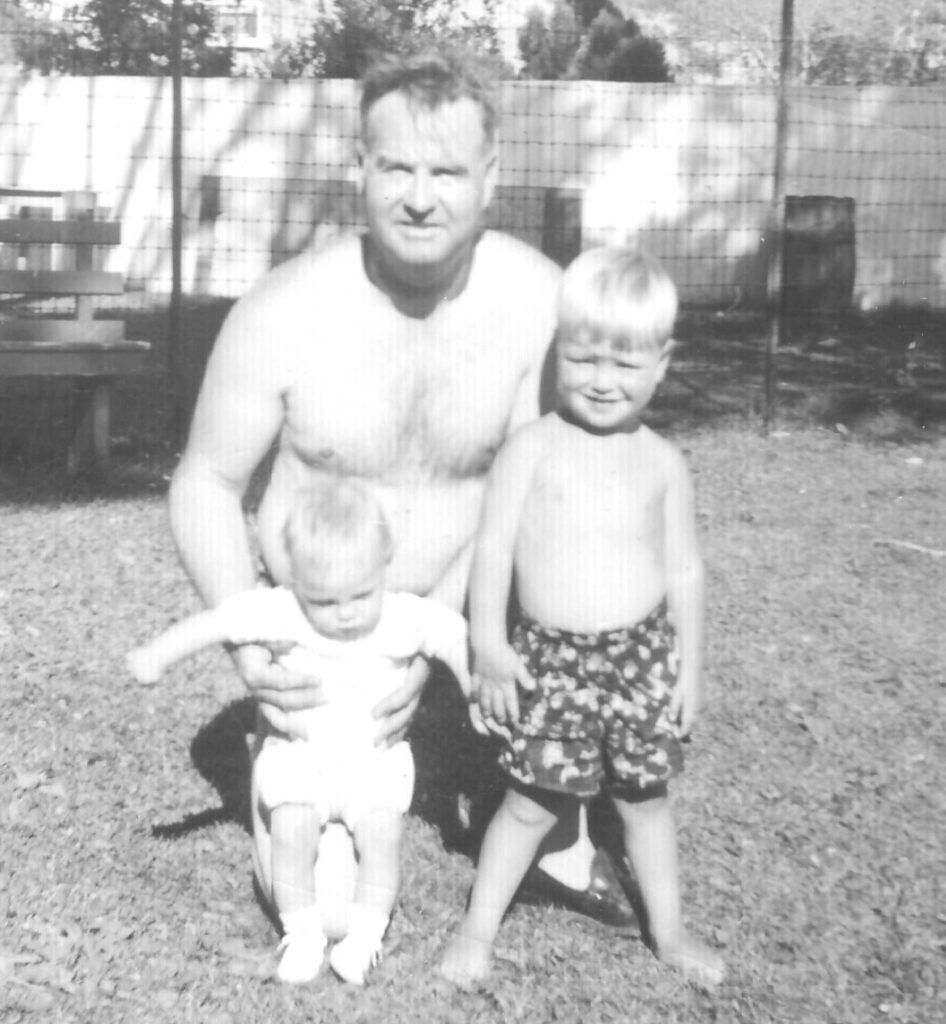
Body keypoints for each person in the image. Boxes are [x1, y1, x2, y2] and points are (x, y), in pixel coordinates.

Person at [168, 48, 634, 934]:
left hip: (474, 602)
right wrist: (251, 637)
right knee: (318, 895)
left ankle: (555, 817)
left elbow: (552, 491)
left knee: (590, 521)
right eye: (398, 169)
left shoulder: (541, 306)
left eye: (448, 171)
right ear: (360, 169)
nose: (421, 197)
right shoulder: (284, 308)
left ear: (490, 178)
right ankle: (294, 761)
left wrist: (439, 638)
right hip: (318, 628)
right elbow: (205, 480)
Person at [440, 248, 725, 988]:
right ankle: (476, 933)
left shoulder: (663, 462)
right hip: (551, 661)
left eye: (626, 365)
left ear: (662, 365)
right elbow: (492, 552)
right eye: (584, 358)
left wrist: (691, 667)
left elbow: (685, 570)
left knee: (645, 803)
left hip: (640, 660)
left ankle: (670, 933)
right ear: (557, 353)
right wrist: (489, 646)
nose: (603, 381)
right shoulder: (531, 450)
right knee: (531, 804)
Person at [130, 475, 471, 985]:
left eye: (360, 595)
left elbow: (454, 636)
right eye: (325, 602)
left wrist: (471, 686)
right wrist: (157, 656)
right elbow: (217, 624)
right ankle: (302, 932)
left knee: (383, 835)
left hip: (372, 760)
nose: (346, 614)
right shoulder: (282, 611)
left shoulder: (402, 615)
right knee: (291, 830)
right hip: (303, 757)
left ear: (384, 566)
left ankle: (366, 938)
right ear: (295, 581)